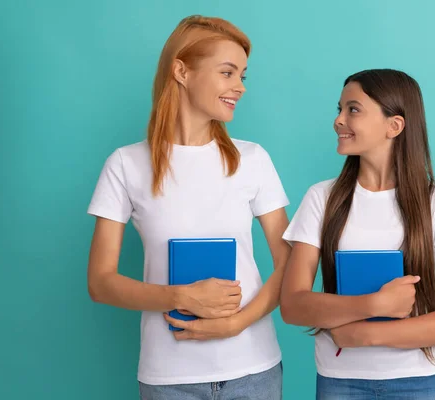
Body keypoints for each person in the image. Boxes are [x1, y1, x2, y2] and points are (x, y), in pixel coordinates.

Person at [86, 15, 290, 400]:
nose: (240, 87)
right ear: (181, 70)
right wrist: (179, 297)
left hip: (255, 372)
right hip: (169, 378)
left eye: (243, 76)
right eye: (228, 73)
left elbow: (290, 263)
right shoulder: (126, 164)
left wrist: (238, 323)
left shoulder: (253, 159)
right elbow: (100, 281)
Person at [280, 69, 435, 399]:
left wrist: (365, 335)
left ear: (394, 126)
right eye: (339, 109)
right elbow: (292, 305)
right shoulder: (321, 198)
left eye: (353, 109)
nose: (338, 120)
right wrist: (374, 303)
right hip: (339, 382)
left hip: (420, 382)